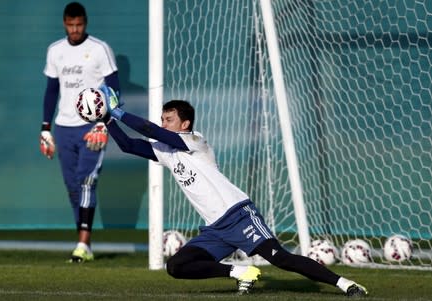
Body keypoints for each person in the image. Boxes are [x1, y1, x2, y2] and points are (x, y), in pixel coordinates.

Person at [94, 87, 368, 297]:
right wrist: (107, 119)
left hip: (239, 215)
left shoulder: (195, 141)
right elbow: (130, 145)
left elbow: (149, 129)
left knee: (280, 258)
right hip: (215, 229)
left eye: (169, 119)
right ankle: (240, 271)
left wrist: (118, 111)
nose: (163, 124)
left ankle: (346, 284)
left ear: (185, 124)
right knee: (177, 267)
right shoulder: (165, 152)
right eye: (163, 120)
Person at [39, 2, 121, 263]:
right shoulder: (55, 51)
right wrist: (45, 128)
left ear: (85, 23)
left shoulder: (99, 49)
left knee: (87, 181)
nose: (75, 30)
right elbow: (52, 90)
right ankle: (83, 243)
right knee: (73, 187)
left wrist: (102, 122)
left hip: (92, 127)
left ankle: (83, 243)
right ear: (65, 23)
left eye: (79, 25)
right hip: (64, 128)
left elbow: (115, 89)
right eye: (71, 25)